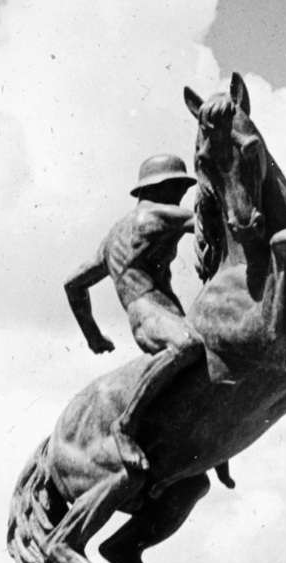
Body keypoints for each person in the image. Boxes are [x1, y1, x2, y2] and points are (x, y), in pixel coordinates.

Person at [63, 154, 232, 484]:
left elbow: (73, 284)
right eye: (179, 188)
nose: (181, 196)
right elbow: (207, 221)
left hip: (160, 311)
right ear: (164, 188)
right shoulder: (155, 215)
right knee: (188, 346)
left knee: (214, 359)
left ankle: (216, 446)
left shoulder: (113, 236)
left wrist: (93, 334)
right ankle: (125, 425)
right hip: (150, 312)